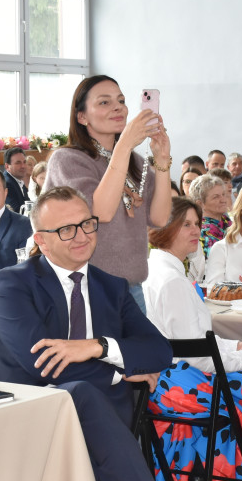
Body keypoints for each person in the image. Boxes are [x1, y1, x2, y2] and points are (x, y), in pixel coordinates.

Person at [0, 186, 234, 481]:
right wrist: (121, 368)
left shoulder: (110, 286)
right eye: (65, 229)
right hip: (29, 423)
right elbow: (40, 365)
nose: (81, 235)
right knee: (79, 394)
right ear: (39, 239)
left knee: (93, 455)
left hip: (98, 433)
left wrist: (96, 346)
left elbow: (159, 351)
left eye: (86, 223)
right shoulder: (12, 285)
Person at [143, 197, 242, 481]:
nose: (195, 230)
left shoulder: (155, 269)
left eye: (196, 224)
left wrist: (239, 347)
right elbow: (197, 356)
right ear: (165, 227)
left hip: (169, 375)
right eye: (186, 224)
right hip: (176, 384)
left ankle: (214, 473)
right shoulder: (172, 280)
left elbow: (196, 340)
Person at [42, 74, 173, 311]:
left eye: (121, 101)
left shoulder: (134, 161)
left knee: (137, 349)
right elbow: (99, 212)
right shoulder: (68, 160)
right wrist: (124, 144)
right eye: (104, 102)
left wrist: (162, 161)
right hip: (86, 289)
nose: (118, 108)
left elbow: (160, 218)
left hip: (132, 289)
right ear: (81, 116)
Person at [189, 174, 233, 257]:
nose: (223, 200)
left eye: (223, 194)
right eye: (216, 197)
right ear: (200, 204)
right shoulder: (202, 233)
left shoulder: (227, 221)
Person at [3, 146, 31, 212]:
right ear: (7, 166)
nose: (23, 166)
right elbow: (17, 211)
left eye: (24, 162)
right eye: (18, 163)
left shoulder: (18, 180)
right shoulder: (6, 183)